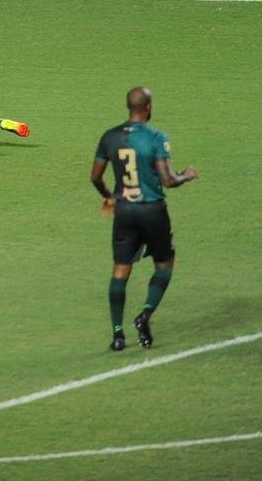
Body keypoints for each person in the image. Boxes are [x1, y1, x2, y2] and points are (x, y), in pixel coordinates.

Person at [91, 86, 198, 351]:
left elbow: (95, 177)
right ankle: (145, 314)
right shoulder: (155, 137)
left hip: (124, 211)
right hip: (152, 211)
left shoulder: (110, 137)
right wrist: (187, 174)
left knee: (120, 270)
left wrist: (110, 196)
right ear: (148, 107)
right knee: (164, 264)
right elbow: (169, 180)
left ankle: (117, 335)